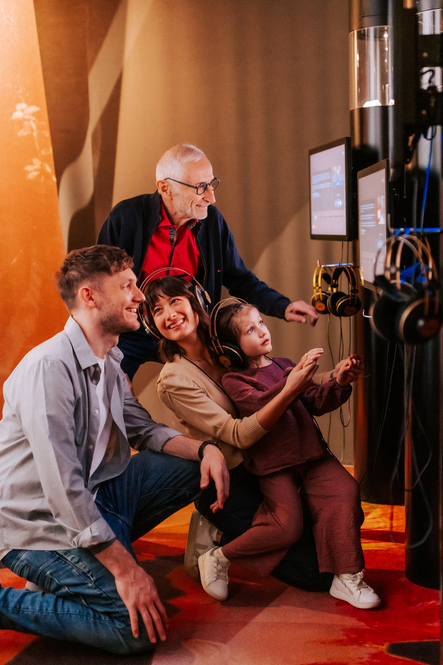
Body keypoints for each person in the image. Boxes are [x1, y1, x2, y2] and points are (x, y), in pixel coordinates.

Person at [0, 246, 230, 658]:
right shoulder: (50, 368)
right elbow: (62, 487)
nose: (139, 297)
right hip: (35, 524)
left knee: (190, 467)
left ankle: (65, 577)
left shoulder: (109, 361)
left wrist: (206, 449)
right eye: (128, 286)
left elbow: (145, 431)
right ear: (90, 296)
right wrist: (125, 569)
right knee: (131, 630)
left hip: (92, 499)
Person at [143, 276, 333, 592]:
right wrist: (290, 390)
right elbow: (239, 434)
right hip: (232, 478)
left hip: (270, 463)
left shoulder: (227, 345)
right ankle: (216, 536)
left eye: (175, 301)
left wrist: (334, 378)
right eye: (157, 310)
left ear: (195, 302)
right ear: (151, 324)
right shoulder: (173, 380)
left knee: (334, 535)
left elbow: (281, 381)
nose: (169, 314)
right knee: (317, 575)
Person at [198, 301, 380, 609]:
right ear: (231, 348)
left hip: (312, 455)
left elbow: (313, 402)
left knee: (345, 491)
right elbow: (262, 405)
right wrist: (292, 383)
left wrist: (339, 381)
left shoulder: (283, 365)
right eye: (250, 330)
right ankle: (218, 556)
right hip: (275, 466)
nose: (262, 331)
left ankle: (347, 578)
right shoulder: (234, 380)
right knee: (286, 526)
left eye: (261, 323)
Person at [97, 143, 320, 379]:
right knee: (107, 396)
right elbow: (100, 282)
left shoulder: (212, 222)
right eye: (200, 187)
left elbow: (239, 278)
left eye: (211, 184)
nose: (211, 198)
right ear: (165, 188)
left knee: (229, 391)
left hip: (191, 333)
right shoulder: (126, 217)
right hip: (129, 331)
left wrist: (281, 306)